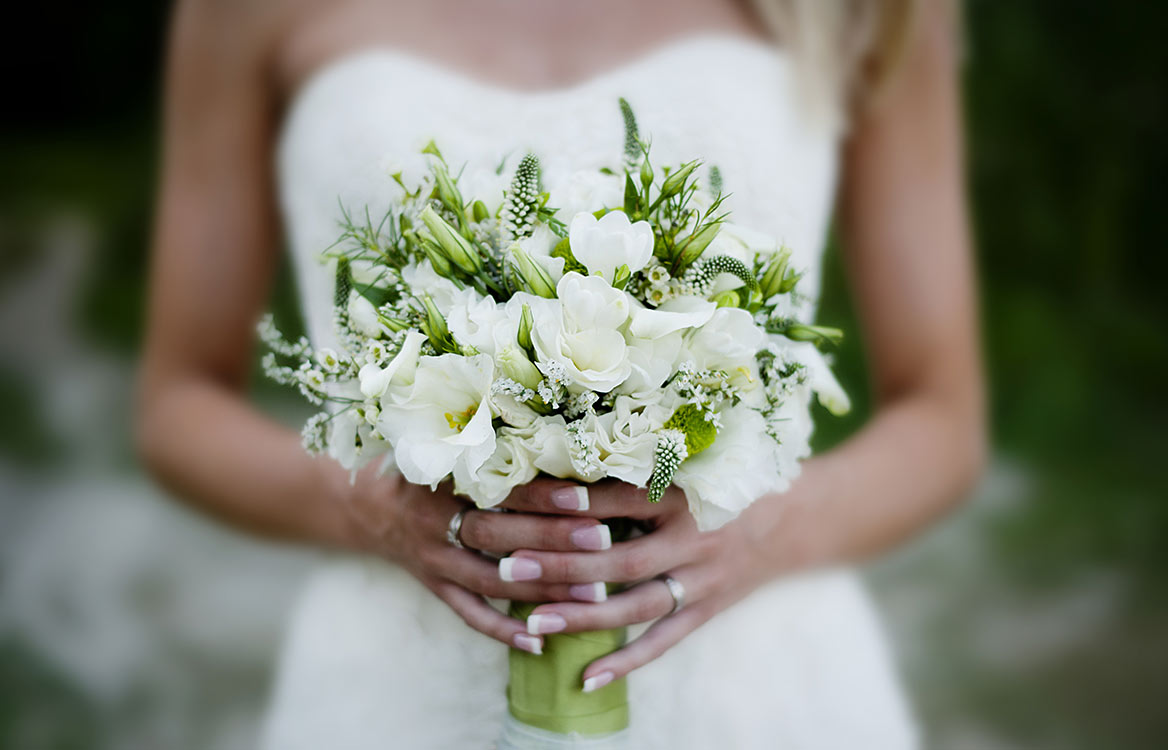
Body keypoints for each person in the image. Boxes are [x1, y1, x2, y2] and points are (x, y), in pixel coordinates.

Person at [137, 0, 984, 746]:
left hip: (757, 689)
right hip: (397, 686)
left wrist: (763, 531)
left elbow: (943, 417)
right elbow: (178, 404)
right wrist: (369, 510)